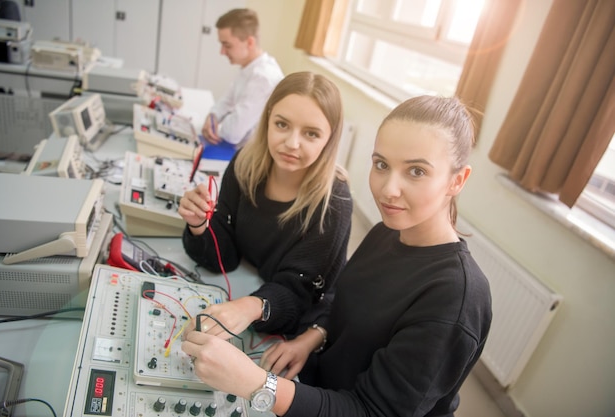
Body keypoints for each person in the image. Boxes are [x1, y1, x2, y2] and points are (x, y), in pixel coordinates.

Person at [181, 95, 493, 417]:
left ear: (457, 180)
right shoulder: (389, 231)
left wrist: (259, 384)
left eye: (416, 171)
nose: (388, 190)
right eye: (381, 165)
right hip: (316, 386)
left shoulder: (455, 298)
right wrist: (312, 338)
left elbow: (371, 412)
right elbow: (341, 300)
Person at [178, 71, 353, 340]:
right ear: (268, 120)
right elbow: (224, 256)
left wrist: (251, 306)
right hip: (249, 290)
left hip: (297, 327)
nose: (292, 143)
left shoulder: (334, 203)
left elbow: (301, 294)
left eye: (311, 133)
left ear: (329, 139)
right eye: (282, 124)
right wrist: (199, 224)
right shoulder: (244, 165)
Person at [201, 8, 284, 150]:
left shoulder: (263, 78)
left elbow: (233, 132)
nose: (222, 52)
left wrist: (215, 127)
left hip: (249, 157)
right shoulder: (249, 68)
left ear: (250, 42)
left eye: (227, 45)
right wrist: (213, 115)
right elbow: (227, 100)